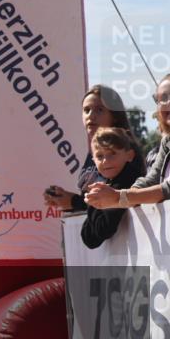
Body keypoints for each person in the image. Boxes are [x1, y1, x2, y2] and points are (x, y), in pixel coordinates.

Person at [44, 85, 136, 212]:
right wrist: (65, 200)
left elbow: (116, 202)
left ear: (114, 115)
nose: (91, 116)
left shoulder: (126, 149)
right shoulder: (93, 150)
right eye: (86, 110)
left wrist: (73, 202)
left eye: (99, 110)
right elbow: (91, 205)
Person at [85, 74, 170, 211]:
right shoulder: (167, 142)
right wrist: (123, 196)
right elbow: (151, 180)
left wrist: (120, 197)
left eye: (112, 153)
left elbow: (167, 189)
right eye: (161, 99)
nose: (166, 104)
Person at [78, 128, 144, 248]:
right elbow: (89, 238)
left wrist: (94, 202)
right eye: (99, 156)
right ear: (93, 160)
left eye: (112, 153)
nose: (105, 161)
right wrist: (94, 199)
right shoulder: (109, 183)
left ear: (129, 155)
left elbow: (103, 230)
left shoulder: (129, 180)